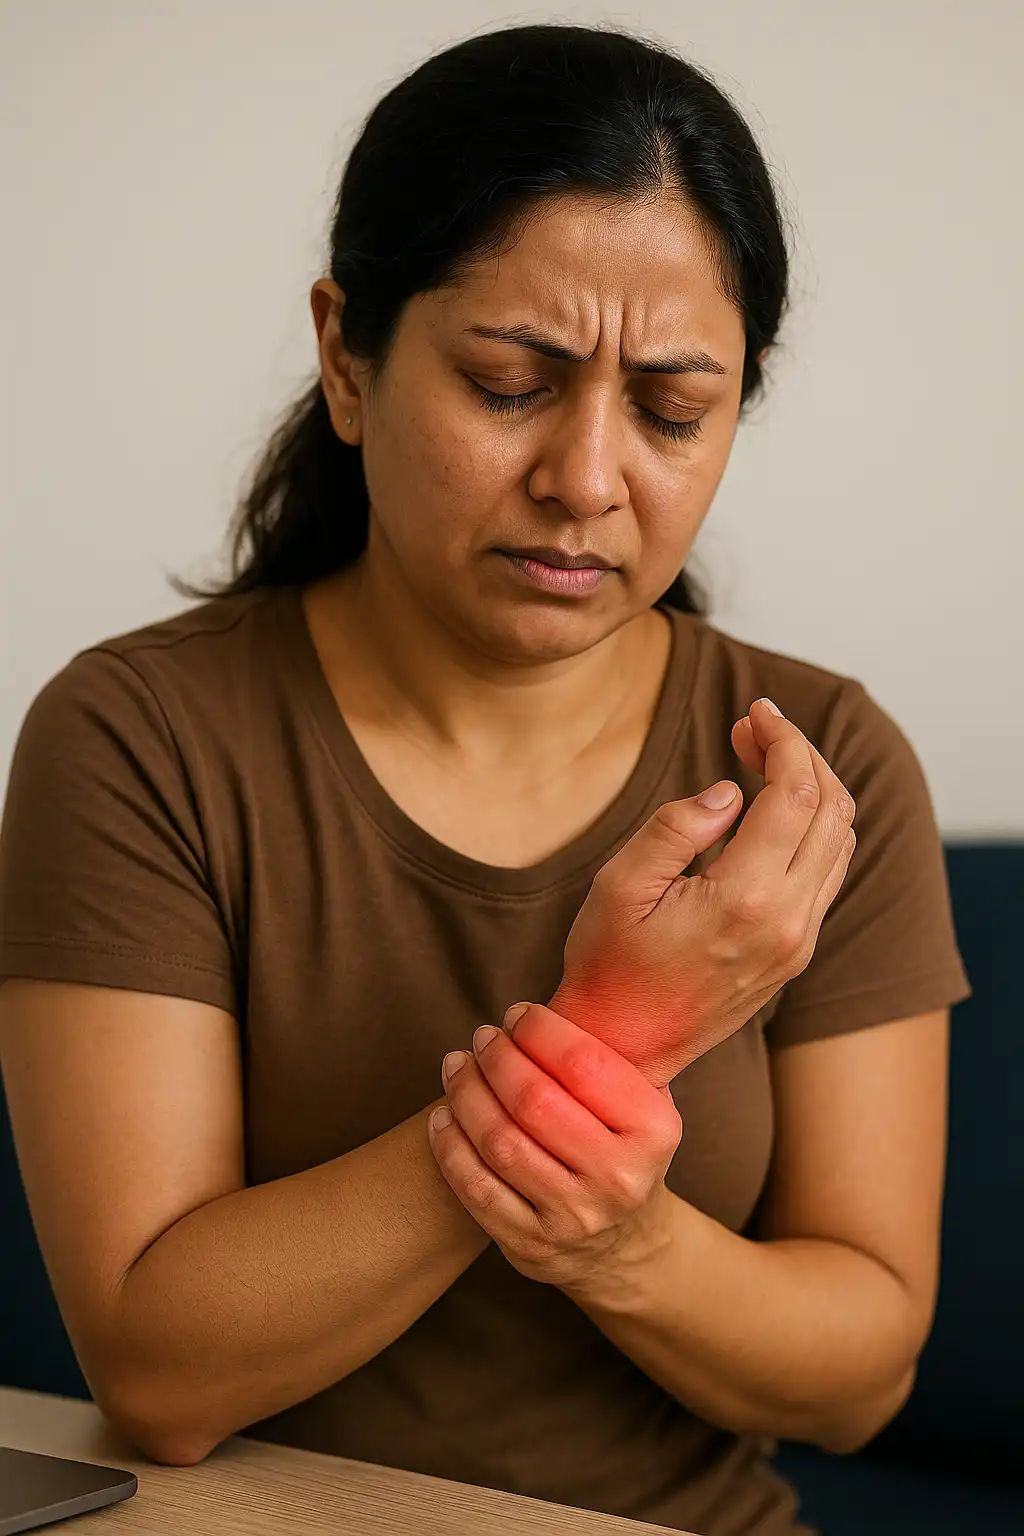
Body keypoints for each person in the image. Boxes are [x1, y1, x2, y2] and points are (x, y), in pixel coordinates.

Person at [0, 23, 970, 1536]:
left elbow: (859, 1380)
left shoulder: (821, 771)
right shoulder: (142, 735)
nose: (587, 479)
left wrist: (620, 1243)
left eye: (672, 410)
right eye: (510, 382)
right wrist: (611, 1034)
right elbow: (160, 1370)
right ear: (347, 357)